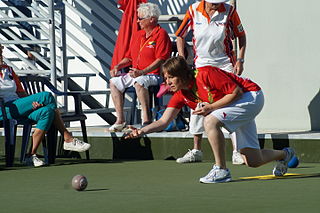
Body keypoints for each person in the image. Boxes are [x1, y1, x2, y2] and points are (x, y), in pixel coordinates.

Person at [125, 56, 297, 183]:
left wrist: (211, 108)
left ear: (183, 75)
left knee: (210, 120)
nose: (167, 82)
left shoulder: (206, 73)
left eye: (171, 77)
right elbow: (163, 121)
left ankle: (221, 169)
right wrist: (140, 131)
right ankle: (285, 154)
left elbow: (236, 92)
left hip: (250, 96)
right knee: (253, 160)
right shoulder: (180, 95)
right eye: (166, 78)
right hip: (237, 105)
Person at [174, 0, 247, 164]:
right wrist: (181, 57)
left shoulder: (229, 11)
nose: (216, 5)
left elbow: (241, 36)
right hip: (201, 65)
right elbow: (179, 35)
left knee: (231, 106)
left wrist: (240, 60)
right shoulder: (193, 10)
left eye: (218, 2)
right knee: (198, 105)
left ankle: (236, 151)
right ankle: (196, 150)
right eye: (213, 2)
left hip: (225, 65)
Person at [0, 44, 91, 167]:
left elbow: (21, 93)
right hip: (4, 109)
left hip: (18, 106)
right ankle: (67, 137)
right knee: (46, 96)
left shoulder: (8, 69)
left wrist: (30, 103)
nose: (1, 55)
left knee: (47, 111)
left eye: (1, 52)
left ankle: (30, 155)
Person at [109, 2, 172, 131]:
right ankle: (120, 120)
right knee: (113, 82)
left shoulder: (161, 34)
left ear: (152, 19)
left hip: (154, 75)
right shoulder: (138, 35)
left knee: (139, 82)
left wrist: (143, 72)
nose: (137, 21)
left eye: (140, 18)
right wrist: (118, 65)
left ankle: (146, 119)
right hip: (136, 73)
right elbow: (129, 57)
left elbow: (161, 59)